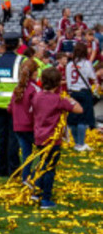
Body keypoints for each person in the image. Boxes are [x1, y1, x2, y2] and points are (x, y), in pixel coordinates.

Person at [31, 67, 82, 209]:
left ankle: (36, 191)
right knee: (50, 168)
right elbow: (79, 109)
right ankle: (46, 199)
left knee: (42, 164)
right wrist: (68, 98)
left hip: (39, 136)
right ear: (58, 83)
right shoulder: (59, 99)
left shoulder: (37, 96)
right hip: (53, 139)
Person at [0, 32, 23, 176]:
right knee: (13, 138)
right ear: (17, 44)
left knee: (1, 137)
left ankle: (0, 168)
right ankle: (13, 168)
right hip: (14, 105)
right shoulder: (21, 61)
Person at [8, 57, 39, 184]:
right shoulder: (33, 89)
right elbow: (38, 108)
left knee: (26, 154)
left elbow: (10, 108)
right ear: (34, 73)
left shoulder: (18, 88)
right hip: (30, 126)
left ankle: (25, 177)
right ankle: (37, 177)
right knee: (43, 153)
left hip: (18, 126)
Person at [66, 41, 97, 151]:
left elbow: (68, 80)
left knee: (73, 119)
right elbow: (92, 77)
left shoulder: (69, 64)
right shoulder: (86, 63)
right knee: (82, 119)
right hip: (84, 92)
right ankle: (81, 143)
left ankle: (76, 143)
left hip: (73, 92)